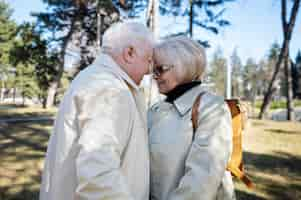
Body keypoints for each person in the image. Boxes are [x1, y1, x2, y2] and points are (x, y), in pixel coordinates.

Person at [39, 22, 154, 200]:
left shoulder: (95, 78)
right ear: (130, 53)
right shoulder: (108, 89)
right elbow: (98, 176)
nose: (149, 70)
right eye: (148, 60)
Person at [148, 36, 235, 200]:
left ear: (183, 67)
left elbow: (203, 179)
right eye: (153, 70)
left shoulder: (211, 107)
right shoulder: (155, 110)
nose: (155, 76)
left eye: (160, 69)